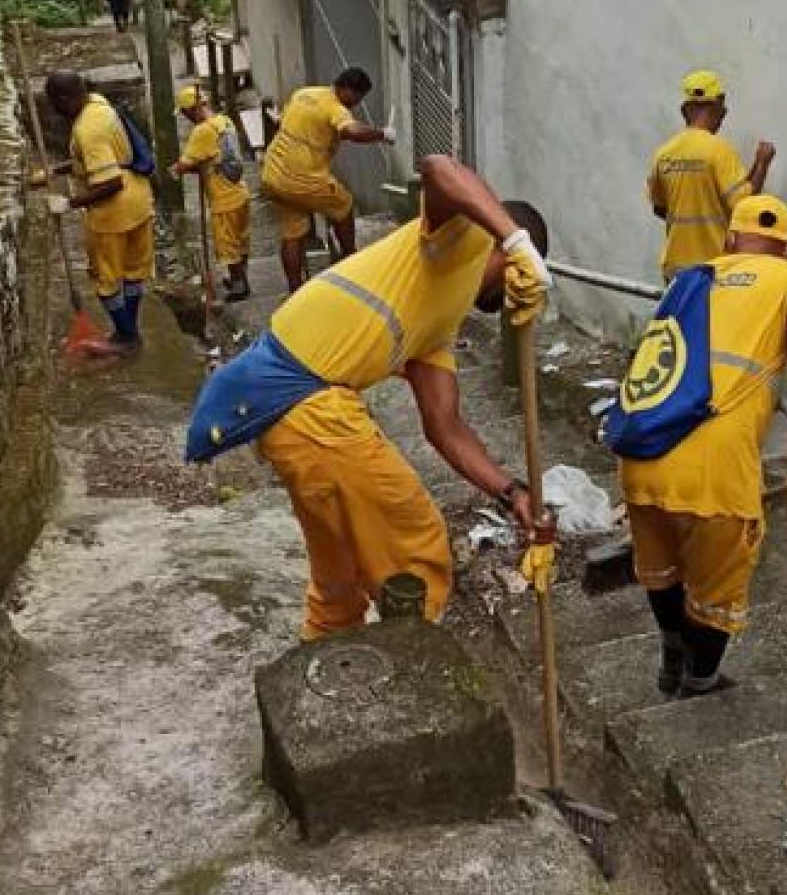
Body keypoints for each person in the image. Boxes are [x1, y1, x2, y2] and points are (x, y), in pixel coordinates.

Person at [186, 155, 554, 638]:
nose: (513, 298)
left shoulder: (438, 321)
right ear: (510, 259)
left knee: (339, 577)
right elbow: (440, 167)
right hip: (309, 407)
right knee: (417, 544)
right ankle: (419, 666)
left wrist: (514, 494)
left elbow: (445, 427)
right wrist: (516, 239)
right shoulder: (462, 239)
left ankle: (325, 665)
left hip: (299, 417)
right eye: (521, 273)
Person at [614, 194, 787, 698]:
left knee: (660, 569)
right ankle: (701, 684)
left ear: (730, 240)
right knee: (716, 595)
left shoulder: (692, 279)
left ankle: (671, 653)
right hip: (715, 474)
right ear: (786, 250)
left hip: (642, 452)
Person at [44, 71, 155, 349]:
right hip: (140, 199)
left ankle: (127, 336)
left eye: (53, 103)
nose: (54, 110)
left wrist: (69, 203)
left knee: (105, 278)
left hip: (114, 212)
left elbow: (110, 182)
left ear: (64, 99)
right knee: (133, 270)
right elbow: (104, 158)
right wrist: (58, 169)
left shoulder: (87, 129)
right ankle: (128, 329)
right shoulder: (98, 104)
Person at [260, 67, 394, 293]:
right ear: (347, 89)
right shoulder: (335, 107)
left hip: (274, 173)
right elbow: (353, 132)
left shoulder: (303, 93)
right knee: (343, 204)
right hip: (302, 177)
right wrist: (383, 134)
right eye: (358, 97)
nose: (357, 104)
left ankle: (295, 291)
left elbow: (281, 121)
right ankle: (351, 262)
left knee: (292, 232)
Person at [647, 68, 776, 280]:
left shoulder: (663, 154)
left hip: (675, 270)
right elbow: (744, 206)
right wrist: (761, 163)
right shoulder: (718, 151)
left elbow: (659, 208)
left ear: (684, 110)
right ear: (719, 107)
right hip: (712, 268)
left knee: (678, 315)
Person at [175, 84, 251, 301]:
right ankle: (242, 277)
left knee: (227, 245)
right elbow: (213, 155)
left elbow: (183, 165)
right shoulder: (224, 121)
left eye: (184, 113)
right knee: (240, 241)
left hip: (223, 198)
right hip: (240, 191)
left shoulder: (202, 131)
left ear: (190, 110)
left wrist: (179, 169)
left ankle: (239, 285)